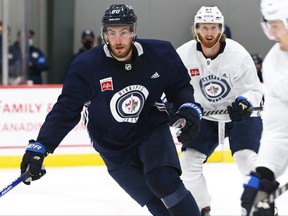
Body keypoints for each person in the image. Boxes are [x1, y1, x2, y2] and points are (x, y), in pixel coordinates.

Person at [19, 4, 203, 215]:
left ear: (134, 31)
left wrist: (188, 107)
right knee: (156, 204)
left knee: (163, 182)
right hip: (112, 146)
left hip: (150, 130)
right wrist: (41, 145)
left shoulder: (161, 53)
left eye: (124, 32)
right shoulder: (86, 66)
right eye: (112, 33)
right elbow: (66, 109)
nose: (118, 40)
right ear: (104, 33)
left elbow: (179, 86)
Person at [175, 6, 263, 215]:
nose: (209, 32)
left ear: (221, 29)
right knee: (187, 165)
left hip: (240, 116)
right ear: (195, 29)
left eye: (213, 27)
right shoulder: (183, 54)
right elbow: (173, 86)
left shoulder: (238, 54)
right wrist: (177, 106)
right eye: (204, 27)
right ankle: (201, 208)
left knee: (247, 161)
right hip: (204, 116)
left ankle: (259, 207)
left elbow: (255, 91)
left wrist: (244, 102)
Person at [240, 0, 288, 215]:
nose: (271, 31)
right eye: (268, 24)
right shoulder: (272, 64)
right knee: (255, 191)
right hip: (281, 138)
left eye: (276, 25)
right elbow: (277, 131)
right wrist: (265, 171)